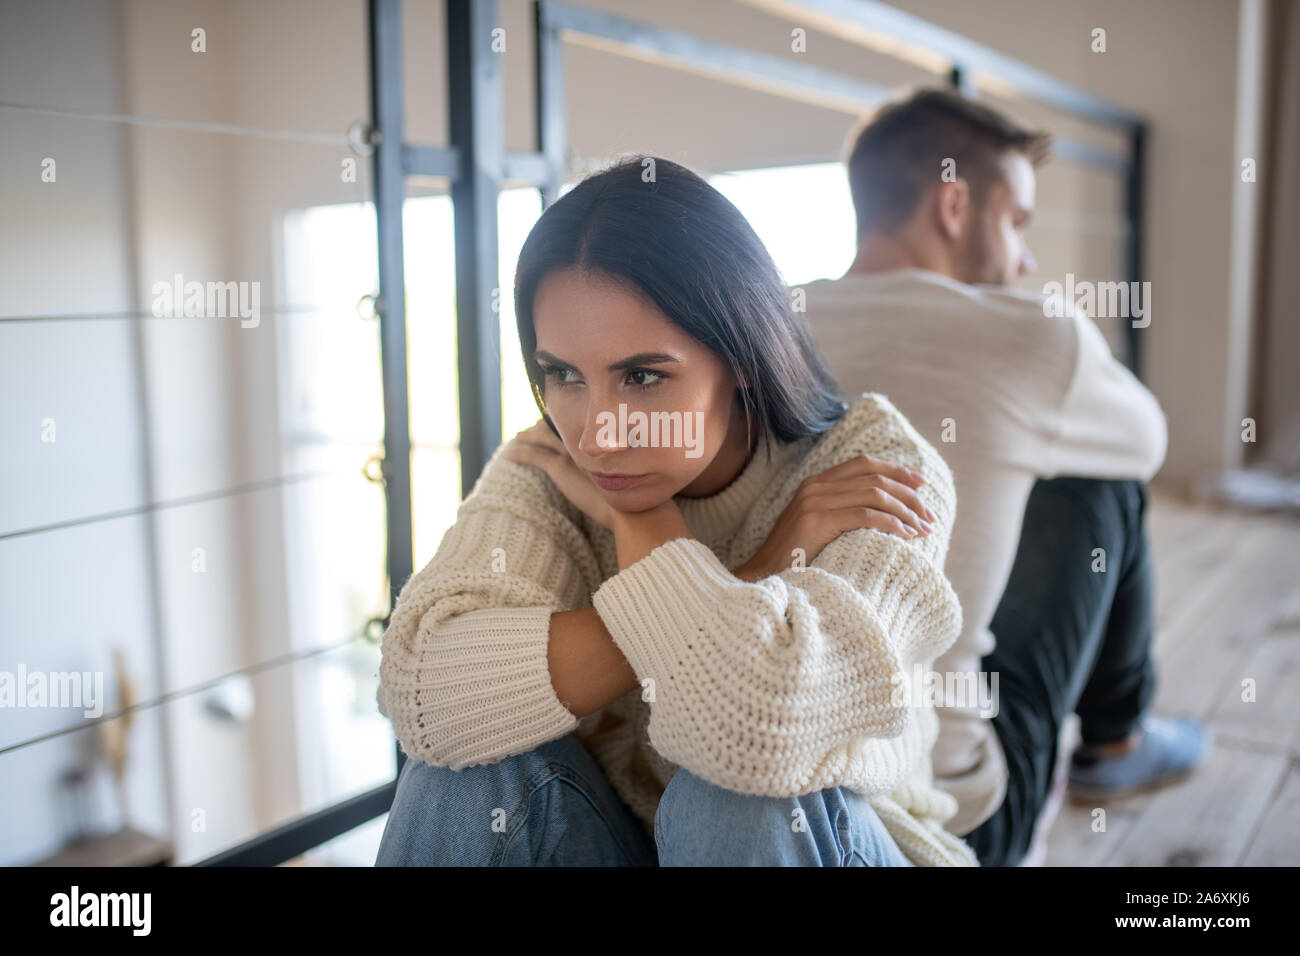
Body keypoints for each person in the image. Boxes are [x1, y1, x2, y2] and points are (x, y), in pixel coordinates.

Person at [374, 155, 979, 866]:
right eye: (563, 374)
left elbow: (756, 724)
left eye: (642, 376)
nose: (599, 435)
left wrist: (638, 521)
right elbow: (423, 690)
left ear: (743, 355)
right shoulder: (549, 467)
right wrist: (747, 566)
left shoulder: (874, 469)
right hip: (631, 842)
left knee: (733, 795)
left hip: (835, 841)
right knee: (463, 774)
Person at [796, 88, 1209, 867]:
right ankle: (1117, 742)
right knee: (1101, 486)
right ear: (954, 204)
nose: (1022, 260)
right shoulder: (1033, 335)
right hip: (956, 818)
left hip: (792, 777)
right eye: (1016, 221)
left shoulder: (770, 324)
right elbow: (1145, 443)